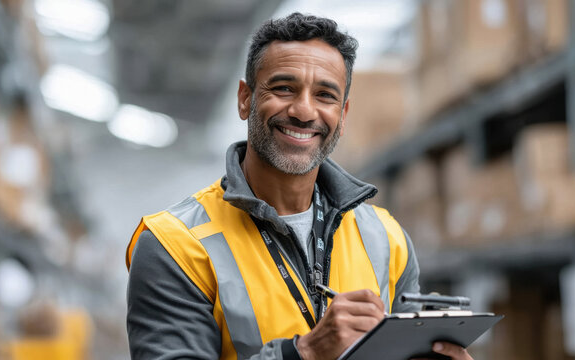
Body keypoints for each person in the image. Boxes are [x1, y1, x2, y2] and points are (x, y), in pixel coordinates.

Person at [126, 12, 473, 360]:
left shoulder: (386, 239)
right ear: (245, 98)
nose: (304, 111)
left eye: (325, 95)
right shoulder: (174, 245)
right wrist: (303, 353)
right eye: (283, 88)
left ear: (344, 114)